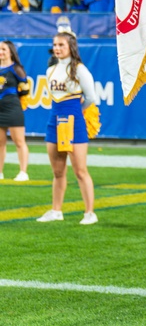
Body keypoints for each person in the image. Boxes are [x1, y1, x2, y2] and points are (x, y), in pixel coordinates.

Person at [36, 32, 99, 225]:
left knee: (80, 170)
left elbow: (91, 97)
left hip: (74, 121)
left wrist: (76, 113)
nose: (57, 48)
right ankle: (56, 210)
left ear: (70, 47)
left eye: (61, 45)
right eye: (55, 45)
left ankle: (90, 213)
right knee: (57, 171)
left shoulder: (80, 69)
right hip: (54, 120)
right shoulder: (50, 71)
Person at [0, 40, 30, 181]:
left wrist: (20, 94)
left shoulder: (16, 68)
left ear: (10, 51)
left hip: (12, 108)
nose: (1, 52)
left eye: (4, 49)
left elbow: (25, 88)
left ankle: (23, 172)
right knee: (0, 143)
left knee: (19, 141)